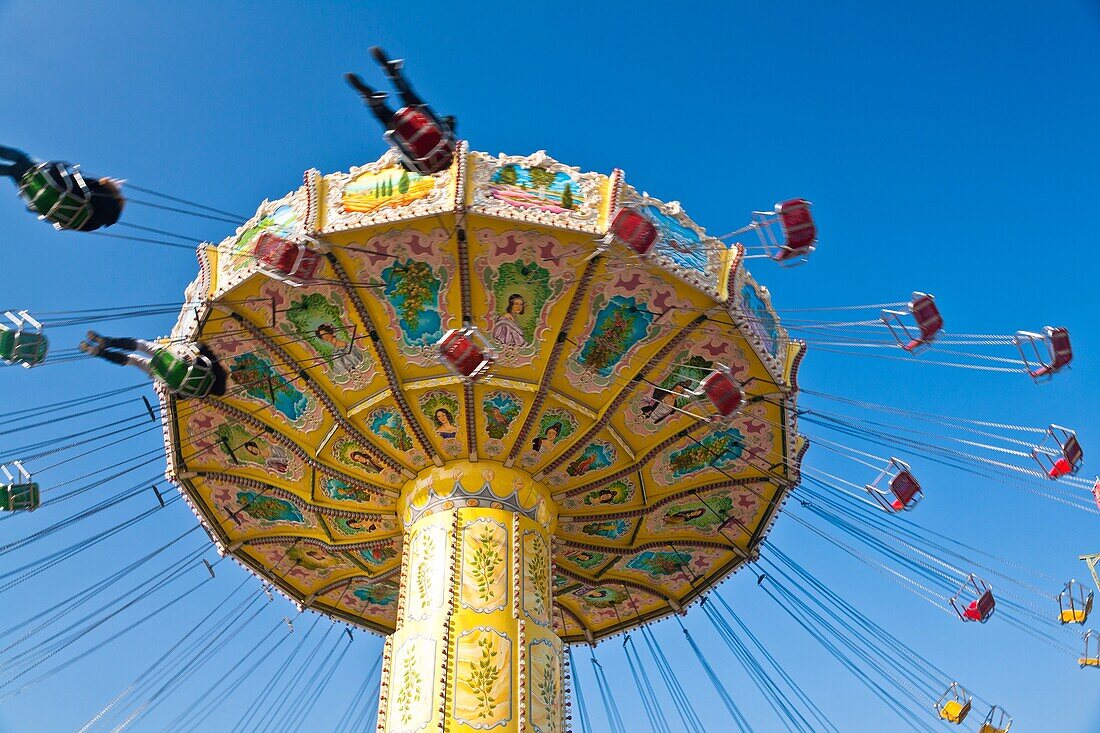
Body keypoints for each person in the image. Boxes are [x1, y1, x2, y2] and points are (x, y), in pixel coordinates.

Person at [344, 47, 456, 173]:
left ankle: (395, 75)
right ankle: (373, 101)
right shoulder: (444, 163)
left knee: (410, 97)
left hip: (423, 134)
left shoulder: (452, 149)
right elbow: (405, 166)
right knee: (387, 118)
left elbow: (451, 120)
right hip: (418, 149)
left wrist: (448, 124)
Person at [0, 144, 124, 231]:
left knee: (21, 158)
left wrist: (61, 167)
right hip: (38, 195)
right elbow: (65, 225)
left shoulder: (101, 194)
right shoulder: (93, 224)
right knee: (12, 171)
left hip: (50, 182)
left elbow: (77, 182)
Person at [80, 332, 226, 399]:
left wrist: (199, 348)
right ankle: (101, 353)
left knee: (142, 346)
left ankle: (108, 342)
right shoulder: (208, 390)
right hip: (165, 375)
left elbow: (201, 348)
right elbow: (181, 396)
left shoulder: (216, 373)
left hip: (174, 363)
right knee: (135, 360)